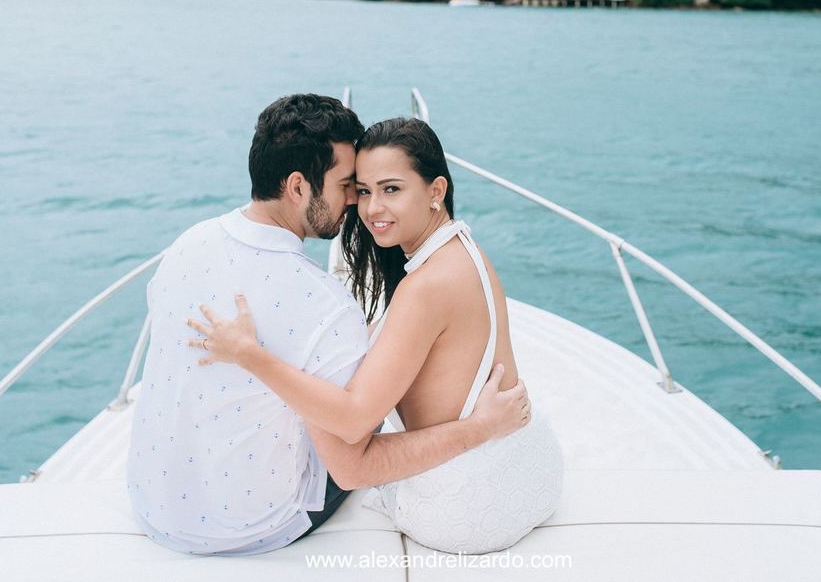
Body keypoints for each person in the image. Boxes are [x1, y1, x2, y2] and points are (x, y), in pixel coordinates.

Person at [126, 95, 530, 556]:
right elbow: (352, 463)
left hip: (154, 503)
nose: (359, 204)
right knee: (338, 417)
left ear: (435, 190)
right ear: (299, 187)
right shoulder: (323, 306)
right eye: (351, 186)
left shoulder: (187, 244)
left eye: (386, 189)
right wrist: (478, 430)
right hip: (248, 524)